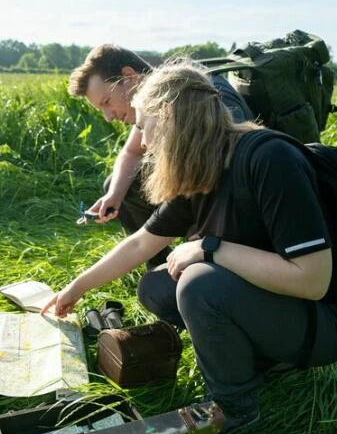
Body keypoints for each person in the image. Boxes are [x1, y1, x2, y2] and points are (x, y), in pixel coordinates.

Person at [46, 60, 337, 434]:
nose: (143, 143)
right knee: (157, 286)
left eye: (144, 127)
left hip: (325, 322)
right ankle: (262, 361)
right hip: (277, 303)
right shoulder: (201, 165)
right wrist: (76, 289)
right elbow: (142, 244)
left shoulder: (268, 159)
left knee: (197, 282)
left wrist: (210, 248)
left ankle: (236, 409)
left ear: (167, 115)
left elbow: (312, 280)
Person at [68, 44, 253, 267]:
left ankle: (200, 258)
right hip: (195, 188)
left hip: (229, 201)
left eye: (106, 102)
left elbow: (227, 167)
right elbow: (132, 151)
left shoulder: (198, 93)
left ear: (129, 76)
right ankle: (159, 265)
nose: (108, 117)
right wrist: (115, 196)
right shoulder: (154, 103)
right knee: (118, 184)